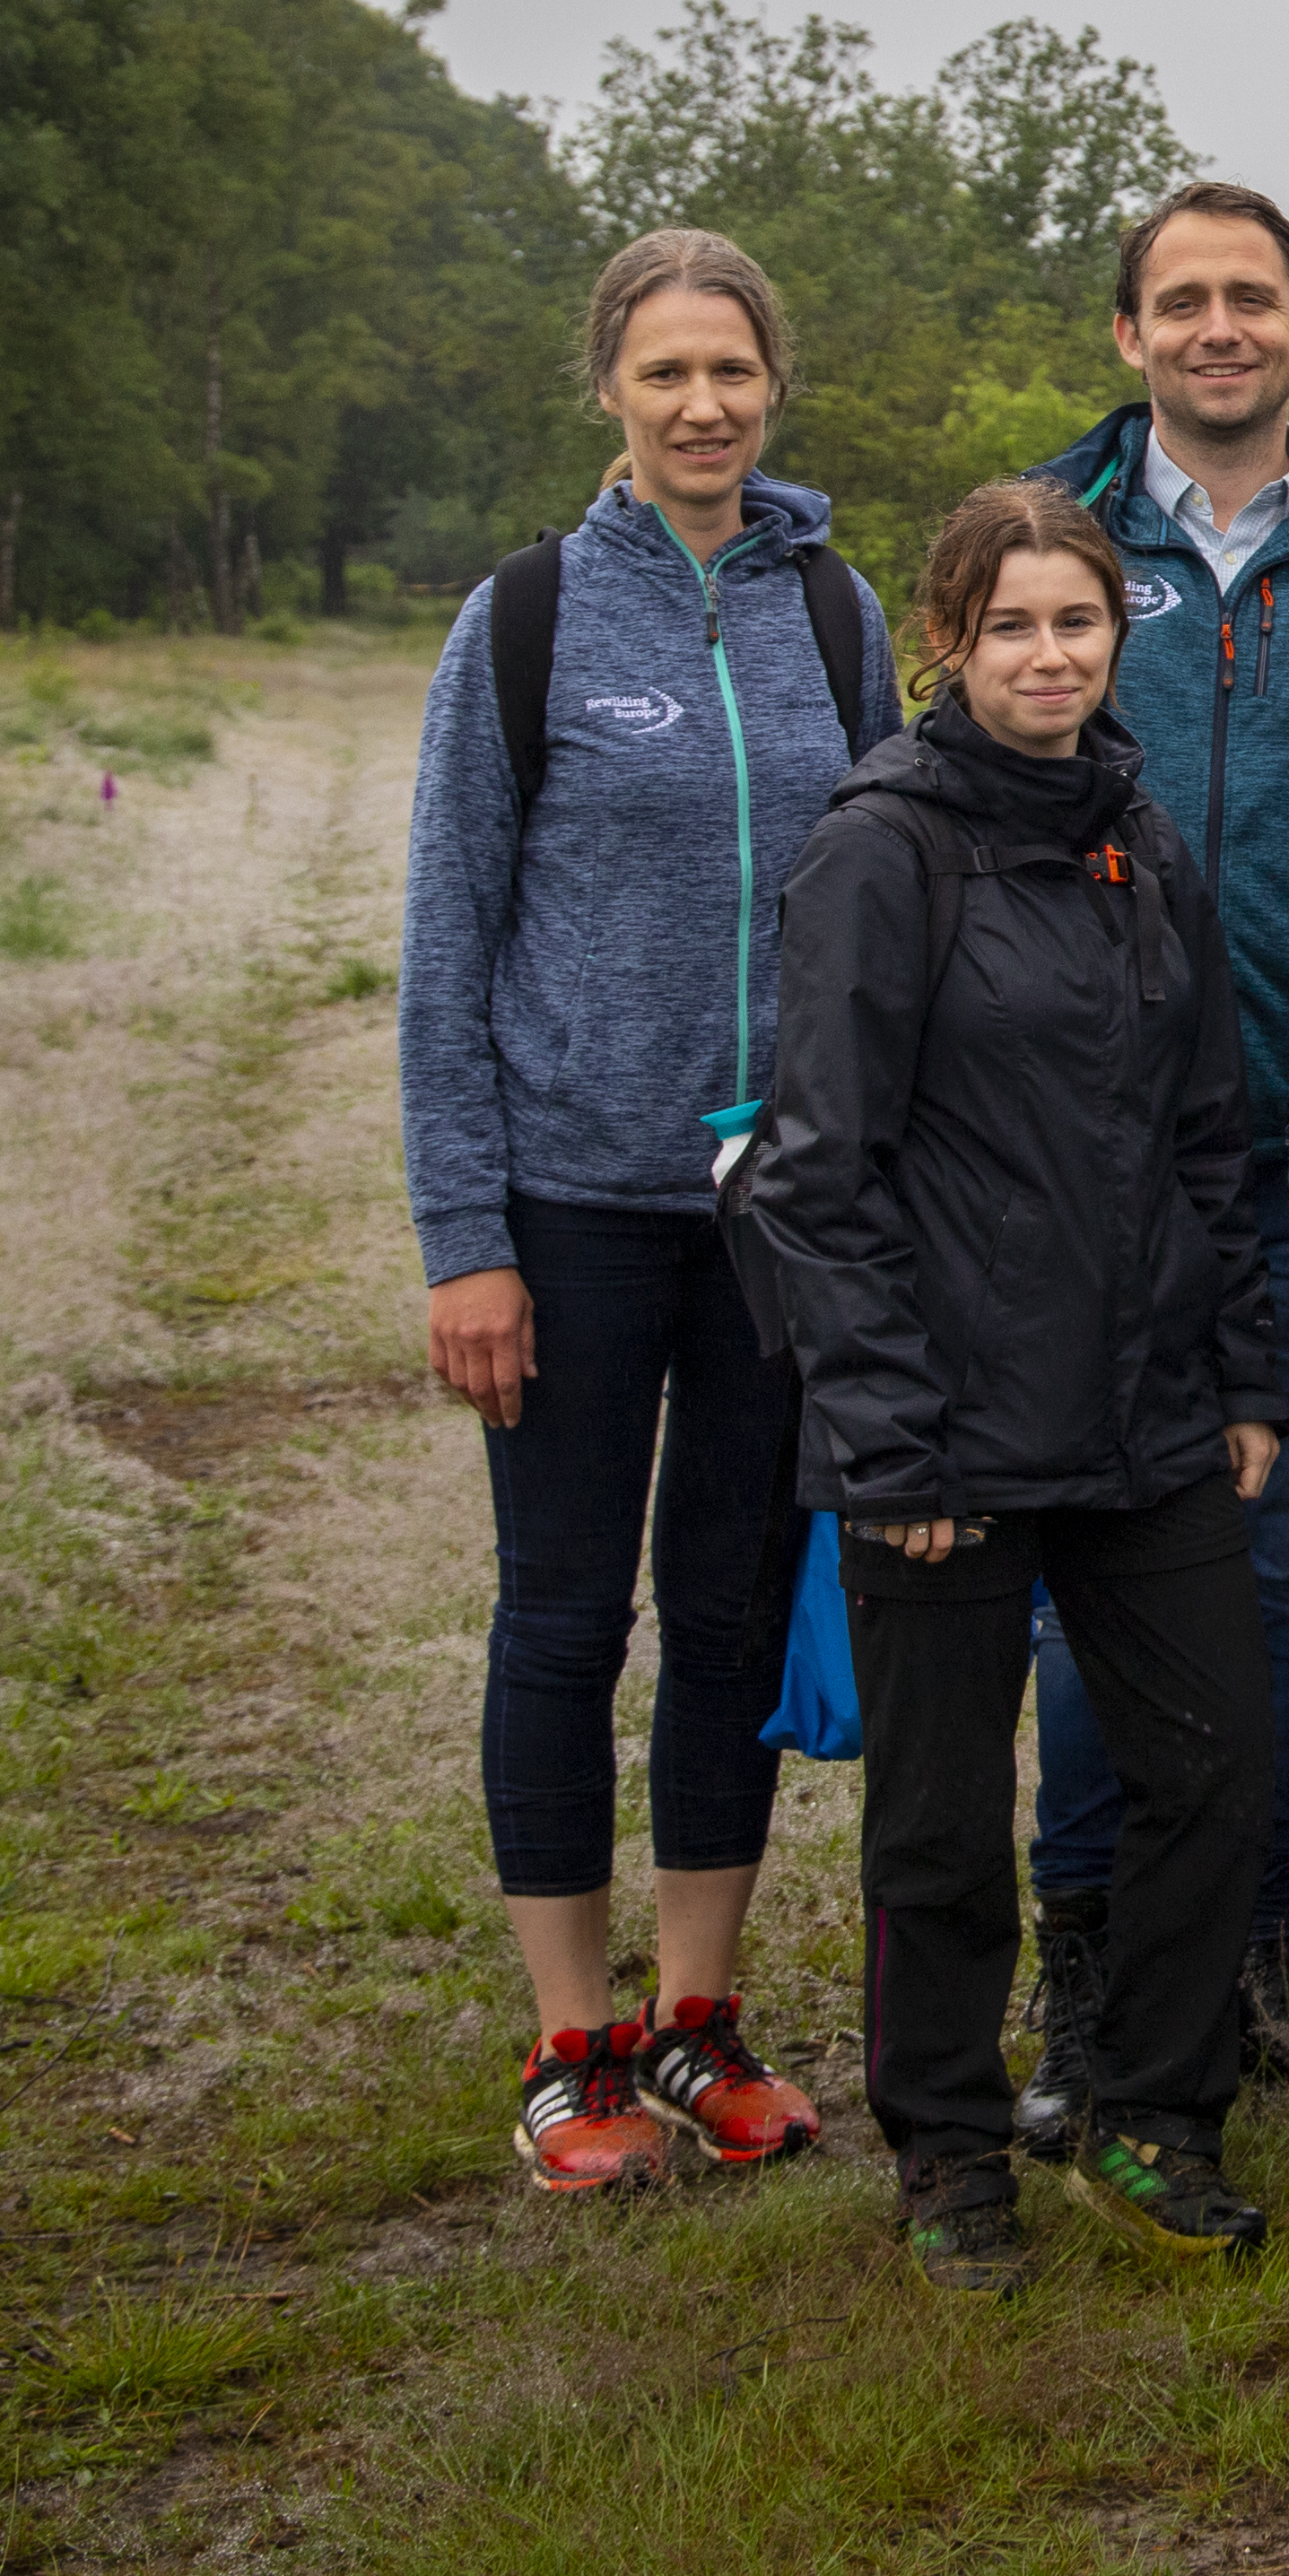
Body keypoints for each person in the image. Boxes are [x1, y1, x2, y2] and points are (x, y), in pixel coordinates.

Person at [750, 478, 1289, 2296]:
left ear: (1115, 633)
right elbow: (815, 1173)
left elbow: (1212, 1130)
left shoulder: (1144, 837)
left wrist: (1242, 1374)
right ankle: (951, 2149)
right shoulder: (879, 850)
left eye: (1077, 622)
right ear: (947, 642)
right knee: (937, 1817)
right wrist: (885, 1437)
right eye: (1011, 627)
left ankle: (1148, 2113)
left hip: (1145, 1416)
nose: (1048, 657)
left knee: (1220, 1757)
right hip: (944, 1437)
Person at [401, 227, 885, 2197]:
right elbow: (449, 945)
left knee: (731, 1611)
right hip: (572, 1209)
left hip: (769, 1220)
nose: (706, 406)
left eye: (736, 373)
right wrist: (465, 1237)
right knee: (560, 1613)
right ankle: (567, 2039)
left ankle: (695, 2020)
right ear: (610, 386)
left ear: (776, 387)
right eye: (669, 373)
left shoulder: (837, 613)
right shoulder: (521, 623)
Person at [1015, 181, 1289, 2136]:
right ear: (1129, 336)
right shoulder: (1043, 538)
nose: (1216, 328)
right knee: (1092, 1575)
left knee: (1287, 1578)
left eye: (1249, 299)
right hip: (1071, 1175)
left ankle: (1277, 1941)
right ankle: (1092, 1965)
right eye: (1179, 301)